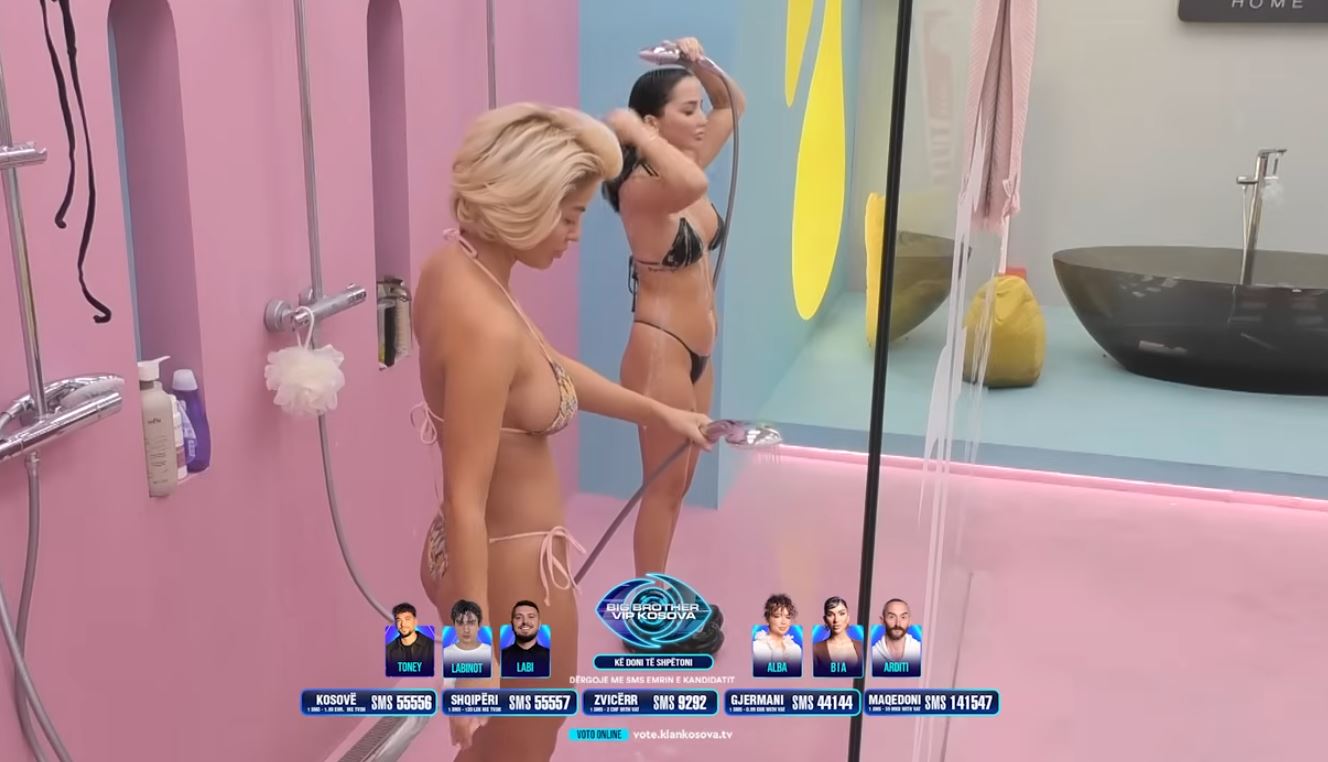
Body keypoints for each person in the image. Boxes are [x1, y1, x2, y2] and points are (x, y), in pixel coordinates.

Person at [412, 102, 714, 760]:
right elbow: (465, 494)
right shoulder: (486, 327)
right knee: (521, 750)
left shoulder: (455, 268)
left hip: (473, 553)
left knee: (496, 750)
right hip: (511, 573)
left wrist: (660, 413)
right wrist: (470, 650)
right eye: (570, 216)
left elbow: (543, 364)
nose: (576, 235)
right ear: (526, 200)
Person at [600, 37, 747, 640]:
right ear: (653, 124)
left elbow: (733, 105)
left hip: (696, 353)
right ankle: (646, 614)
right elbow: (686, 182)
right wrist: (634, 133)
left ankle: (655, 594)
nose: (702, 118)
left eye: (697, 107)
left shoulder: (683, 164)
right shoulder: (642, 188)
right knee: (661, 488)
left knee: (680, 482)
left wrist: (698, 64)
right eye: (688, 109)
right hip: (660, 350)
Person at [812, 597, 863, 677]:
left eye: (841, 613)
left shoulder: (861, 646)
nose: (836, 620)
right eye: (830, 615)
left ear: (848, 617)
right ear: (825, 619)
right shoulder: (816, 649)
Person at [751, 594, 801, 676]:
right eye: (777, 616)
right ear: (767, 618)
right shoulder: (756, 647)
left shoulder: (796, 649)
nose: (783, 622)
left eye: (788, 617)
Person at [441, 599, 493, 678]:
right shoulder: (447, 653)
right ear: (454, 625)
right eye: (460, 623)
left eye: (471, 623)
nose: (466, 629)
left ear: (479, 625)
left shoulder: (489, 652)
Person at [501, 600, 552, 678]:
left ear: (539, 624)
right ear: (512, 624)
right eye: (518, 617)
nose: (525, 621)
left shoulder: (551, 658)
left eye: (531, 617)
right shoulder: (500, 658)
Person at [872, 598, 922, 675]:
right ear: (882, 621)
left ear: (909, 621)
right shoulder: (874, 652)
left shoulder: (918, 649)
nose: (898, 624)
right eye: (891, 617)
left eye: (903, 617)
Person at [386, 602, 435, 677]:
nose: (403, 624)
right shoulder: (389, 650)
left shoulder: (431, 646)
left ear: (415, 622)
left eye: (407, 619)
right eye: (399, 620)